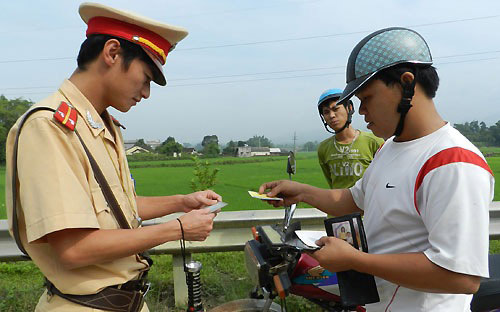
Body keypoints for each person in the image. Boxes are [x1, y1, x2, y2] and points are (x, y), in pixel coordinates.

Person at [259, 27, 494, 311]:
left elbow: (461, 277)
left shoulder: (453, 163)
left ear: (407, 83)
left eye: (367, 98)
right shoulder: (390, 148)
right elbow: (353, 200)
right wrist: (301, 192)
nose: (361, 111)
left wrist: (355, 260)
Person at [5, 3, 221, 311]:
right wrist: (179, 228)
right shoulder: (51, 127)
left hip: (127, 301)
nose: (146, 93)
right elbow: (74, 249)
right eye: (146, 78)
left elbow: (116, 210)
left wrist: (182, 202)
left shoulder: (100, 124)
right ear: (112, 53)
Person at [316, 88, 383, 189]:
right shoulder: (323, 148)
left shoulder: (374, 142)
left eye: (335, 109)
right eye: (326, 112)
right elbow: (332, 183)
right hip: (339, 204)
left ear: (349, 108)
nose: (332, 115)